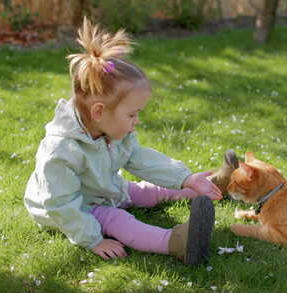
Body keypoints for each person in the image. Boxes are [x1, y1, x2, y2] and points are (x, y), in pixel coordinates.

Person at [23, 18, 238, 265]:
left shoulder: (112, 130)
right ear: (98, 112)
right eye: (131, 114)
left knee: (144, 191)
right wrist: (93, 239)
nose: (136, 121)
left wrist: (185, 178)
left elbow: (142, 159)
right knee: (117, 220)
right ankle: (177, 242)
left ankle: (209, 186)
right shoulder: (60, 152)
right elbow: (60, 204)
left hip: (103, 188)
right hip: (74, 208)